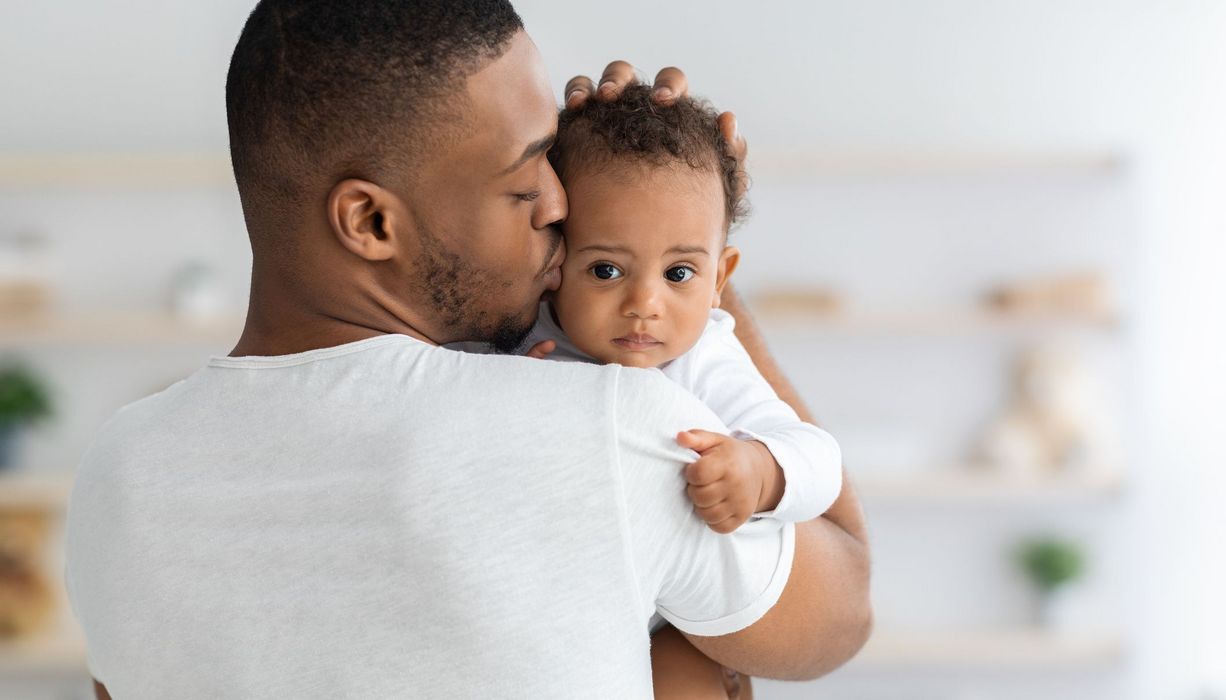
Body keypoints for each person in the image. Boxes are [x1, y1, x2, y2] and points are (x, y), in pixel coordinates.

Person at [62, 2, 872, 698]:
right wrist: (688, 241)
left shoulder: (118, 473)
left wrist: (637, 231)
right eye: (526, 181)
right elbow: (843, 609)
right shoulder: (614, 430)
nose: (561, 205)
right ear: (372, 223)